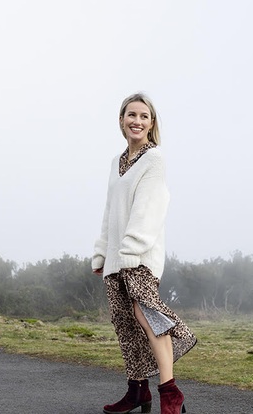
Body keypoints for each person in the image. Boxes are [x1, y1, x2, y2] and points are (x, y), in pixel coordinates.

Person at [92, 93, 196, 414]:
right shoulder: (116, 162)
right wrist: (102, 253)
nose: (137, 121)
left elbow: (149, 209)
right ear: (121, 120)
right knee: (126, 324)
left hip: (140, 256)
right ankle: (138, 391)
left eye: (144, 116)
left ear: (151, 124)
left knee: (146, 314)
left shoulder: (154, 159)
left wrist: (130, 250)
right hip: (116, 258)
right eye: (131, 115)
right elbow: (110, 210)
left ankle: (170, 392)